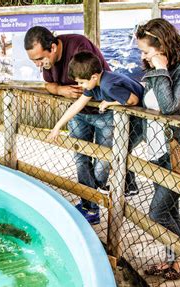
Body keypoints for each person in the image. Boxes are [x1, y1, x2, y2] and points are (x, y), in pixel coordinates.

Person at [24, 26, 143, 225]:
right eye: (33, 61)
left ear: (52, 48)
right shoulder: (47, 64)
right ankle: (90, 207)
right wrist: (60, 91)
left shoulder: (79, 46)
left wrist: (110, 102)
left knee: (102, 163)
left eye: (39, 59)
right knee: (81, 160)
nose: (38, 65)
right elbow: (50, 86)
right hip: (80, 114)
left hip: (105, 115)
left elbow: (120, 94)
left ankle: (104, 191)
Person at [135, 18, 180, 280]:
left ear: (162, 45)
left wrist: (161, 69)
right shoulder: (155, 67)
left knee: (157, 213)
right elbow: (148, 105)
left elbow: (168, 105)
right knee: (169, 209)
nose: (143, 56)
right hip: (156, 149)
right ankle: (174, 260)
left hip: (179, 150)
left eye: (146, 51)